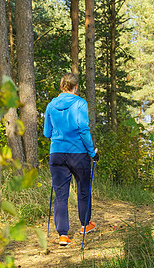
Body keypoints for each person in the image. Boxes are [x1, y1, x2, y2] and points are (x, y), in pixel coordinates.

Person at [43, 73, 99, 246]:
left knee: (61, 195)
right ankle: (85, 225)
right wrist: (92, 152)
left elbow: (47, 133)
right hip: (78, 154)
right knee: (83, 190)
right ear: (75, 87)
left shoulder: (51, 105)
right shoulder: (80, 103)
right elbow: (83, 129)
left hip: (57, 154)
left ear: (61, 87)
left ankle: (63, 235)